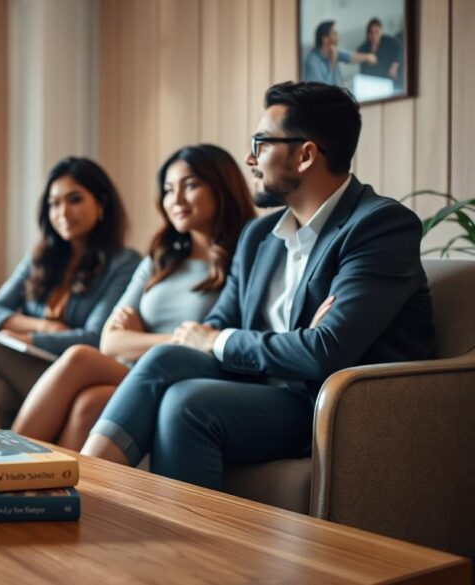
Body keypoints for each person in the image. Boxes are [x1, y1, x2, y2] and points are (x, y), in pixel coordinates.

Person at [81, 81, 434, 491]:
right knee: (163, 359)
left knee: (187, 403)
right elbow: (215, 324)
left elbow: (324, 351)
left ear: (305, 155)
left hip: (327, 403)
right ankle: (80, 487)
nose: (250, 157)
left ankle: (185, 551)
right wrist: (268, 340)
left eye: (262, 143)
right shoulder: (258, 235)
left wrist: (225, 341)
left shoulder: (377, 226)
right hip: (264, 385)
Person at [11, 144, 255, 450]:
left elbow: (214, 342)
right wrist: (177, 338)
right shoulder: (159, 259)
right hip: (132, 370)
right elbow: (110, 341)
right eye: (168, 189)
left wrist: (141, 337)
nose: (175, 199)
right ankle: (40, 491)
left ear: (222, 187)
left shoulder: (245, 260)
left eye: (190, 185)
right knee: (89, 401)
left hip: (183, 375)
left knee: (79, 360)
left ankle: (6, 465)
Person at [0, 157, 140, 427]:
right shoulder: (41, 257)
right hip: (29, 369)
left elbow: (95, 338)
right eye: (54, 203)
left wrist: (31, 340)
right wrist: (44, 327)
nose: (63, 212)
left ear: (101, 203)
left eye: (74, 199)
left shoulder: (125, 263)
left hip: (70, 375)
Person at [302, 20, 377, 87]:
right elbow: (320, 92)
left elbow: (350, 57)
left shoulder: (334, 52)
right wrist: (332, 63)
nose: (338, 36)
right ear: (325, 39)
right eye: (334, 34)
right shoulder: (312, 61)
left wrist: (368, 57)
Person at [357, 18, 403, 85]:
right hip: (374, 83)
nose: (374, 36)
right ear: (367, 34)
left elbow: (399, 50)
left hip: (391, 80)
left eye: (377, 32)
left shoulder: (389, 41)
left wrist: (395, 66)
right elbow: (363, 71)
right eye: (371, 33)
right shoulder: (363, 49)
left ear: (381, 31)